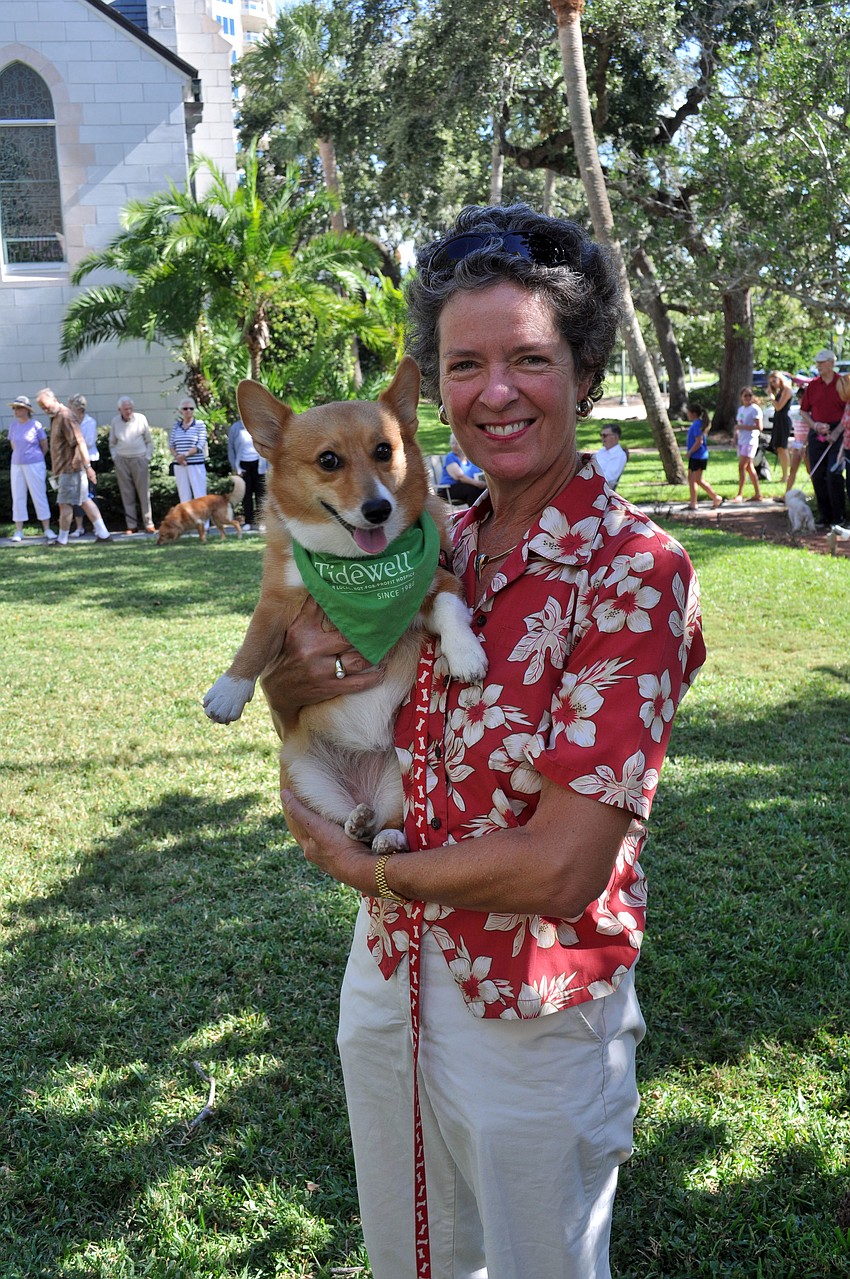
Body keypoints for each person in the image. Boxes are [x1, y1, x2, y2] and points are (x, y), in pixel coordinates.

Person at [261, 204, 706, 1279]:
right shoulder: (430, 541)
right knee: (414, 1256)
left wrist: (365, 866)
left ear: (585, 367)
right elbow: (320, 711)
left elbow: (562, 866)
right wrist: (283, 692)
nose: (494, 391)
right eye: (464, 364)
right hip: (391, 971)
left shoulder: (632, 571)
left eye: (528, 358)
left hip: (531, 1005)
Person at [36, 389, 111, 544]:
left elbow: (79, 442)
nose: (45, 410)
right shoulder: (56, 417)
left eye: (46, 406)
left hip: (70, 469)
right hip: (64, 470)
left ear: (54, 399)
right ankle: (104, 534)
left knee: (64, 504)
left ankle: (62, 540)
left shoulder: (65, 416)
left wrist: (88, 467)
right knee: (85, 500)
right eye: (42, 408)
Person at [799, 349, 849, 526]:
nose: (818, 366)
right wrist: (815, 426)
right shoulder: (813, 385)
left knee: (833, 473)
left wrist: (836, 433)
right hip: (817, 431)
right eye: (817, 363)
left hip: (839, 431)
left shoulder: (842, 383)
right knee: (817, 474)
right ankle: (825, 516)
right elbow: (803, 411)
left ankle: (839, 517)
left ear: (831, 363)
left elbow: (848, 411)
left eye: (822, 362)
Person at [6, 395, 56, 541]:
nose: (15, 410)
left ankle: (46, 529)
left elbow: (44, 446)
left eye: (18, 408)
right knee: (18, 496)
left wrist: (34, 457)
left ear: (26, 410)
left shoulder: (36, 425)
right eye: (14, 408)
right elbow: (13, 445)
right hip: (16, 465)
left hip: (35, 464)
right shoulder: (13, 426)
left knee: (39, 494)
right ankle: (19, 530)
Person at [108, 396, 155, 534]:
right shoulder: (115, 421)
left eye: (130, 408)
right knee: (127, 493)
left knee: (143, 493)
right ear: (119, 410)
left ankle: (149, 523)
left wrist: (147, 457)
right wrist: (115, 457)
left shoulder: (141, 418)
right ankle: (131, 525)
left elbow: (149, 441)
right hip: (122, 460)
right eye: (125, 409)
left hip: (139, 459)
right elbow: (112, 443)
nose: (128, 411)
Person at [68, 394, 100, 537]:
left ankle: (96, 525)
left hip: (89, 461)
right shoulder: (70, 422)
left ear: (79, 408)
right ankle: (79, 527)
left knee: (90, 494)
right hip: (74, 462)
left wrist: (78, 450)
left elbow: (89, 441)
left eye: (71, 407)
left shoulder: (90, 422)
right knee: (76, 495)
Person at [228, 415, 267, 530]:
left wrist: (269, 466)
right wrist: (234, 466)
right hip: (243, 466)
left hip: (259, 464)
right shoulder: (235, 427)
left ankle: (261, 522)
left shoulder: (260, 426)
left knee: (260, 494)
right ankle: (248, 522)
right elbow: (230, 448)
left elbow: (267, 446)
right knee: (247, 494)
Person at [685, 402, 723, 510]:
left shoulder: (697, 425)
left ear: (693, 413)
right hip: (697, 456)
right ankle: (693, 502)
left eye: (688, 412)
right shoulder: (697, 424)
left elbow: (699, 442)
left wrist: (690, 452)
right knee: (691, 479)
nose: (687, 414)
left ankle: (716, 497)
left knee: (697, 479)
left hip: (698, 456)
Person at [169, 398, 208, 504]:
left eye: (191, 408)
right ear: (180, 411)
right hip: (180, 465)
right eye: (185, 408)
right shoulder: (176, 426)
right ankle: (187, 520)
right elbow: (171, 445)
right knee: (184, 497)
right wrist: (178, 457)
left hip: (196, 465)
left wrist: (184, 455)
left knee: (200, 496)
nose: (188, 411)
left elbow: (200, 445)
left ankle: (203, 521)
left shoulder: (200, 425)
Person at [438, 432, 488, 504]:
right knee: (473, 490)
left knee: (485, 491)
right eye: (452, 443)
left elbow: (481, 472)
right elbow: (459, 476)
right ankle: (474, 514)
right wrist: (478, 483)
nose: (454, 446)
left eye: (457, 443)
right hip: (447, 489)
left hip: (466, 487)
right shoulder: (451, 457)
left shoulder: (471, 458)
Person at [732, 387, 763, 501]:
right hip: (741, 440)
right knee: (749, 468)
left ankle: (740, 493)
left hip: (750, 440)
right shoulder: (741, 410)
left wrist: (743, 427)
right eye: (745, 395)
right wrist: (735, 438)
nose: (748, 398)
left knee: (741, 467)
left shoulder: (755, 409)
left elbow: (759, 427)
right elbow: (738, 425)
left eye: (750, 395)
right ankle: (758, 494)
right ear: (741, 397)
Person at [766, 371, 792, 486]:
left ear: (780, 379)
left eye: (774, 381)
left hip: (783, 420)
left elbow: (779, 406)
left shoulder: (787, 390)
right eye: (771, 382)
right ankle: (784, 474)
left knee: (783, 447)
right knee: (779, 448)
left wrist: (771, 397)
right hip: (777, 420)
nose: (773, 384)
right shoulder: (780, 391)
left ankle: (786, 475)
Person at [785, 387, 810, 494]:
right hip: (797, 444)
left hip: (807, 445)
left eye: (803, 397)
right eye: (799, 397)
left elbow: (811, 430)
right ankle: (787, 494)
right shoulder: (795, 412)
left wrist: (805, 445)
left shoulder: (811, 413)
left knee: (811, 471)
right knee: (793, 470)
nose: (801, 399)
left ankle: (819, 496)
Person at [593, 422, 628, 488]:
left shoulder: (619, 455)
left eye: (605, 435)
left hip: (600, 489)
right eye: (601, 435)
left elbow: (609, 478)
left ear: (615, 437)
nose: (602, 438)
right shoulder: (602, 451)